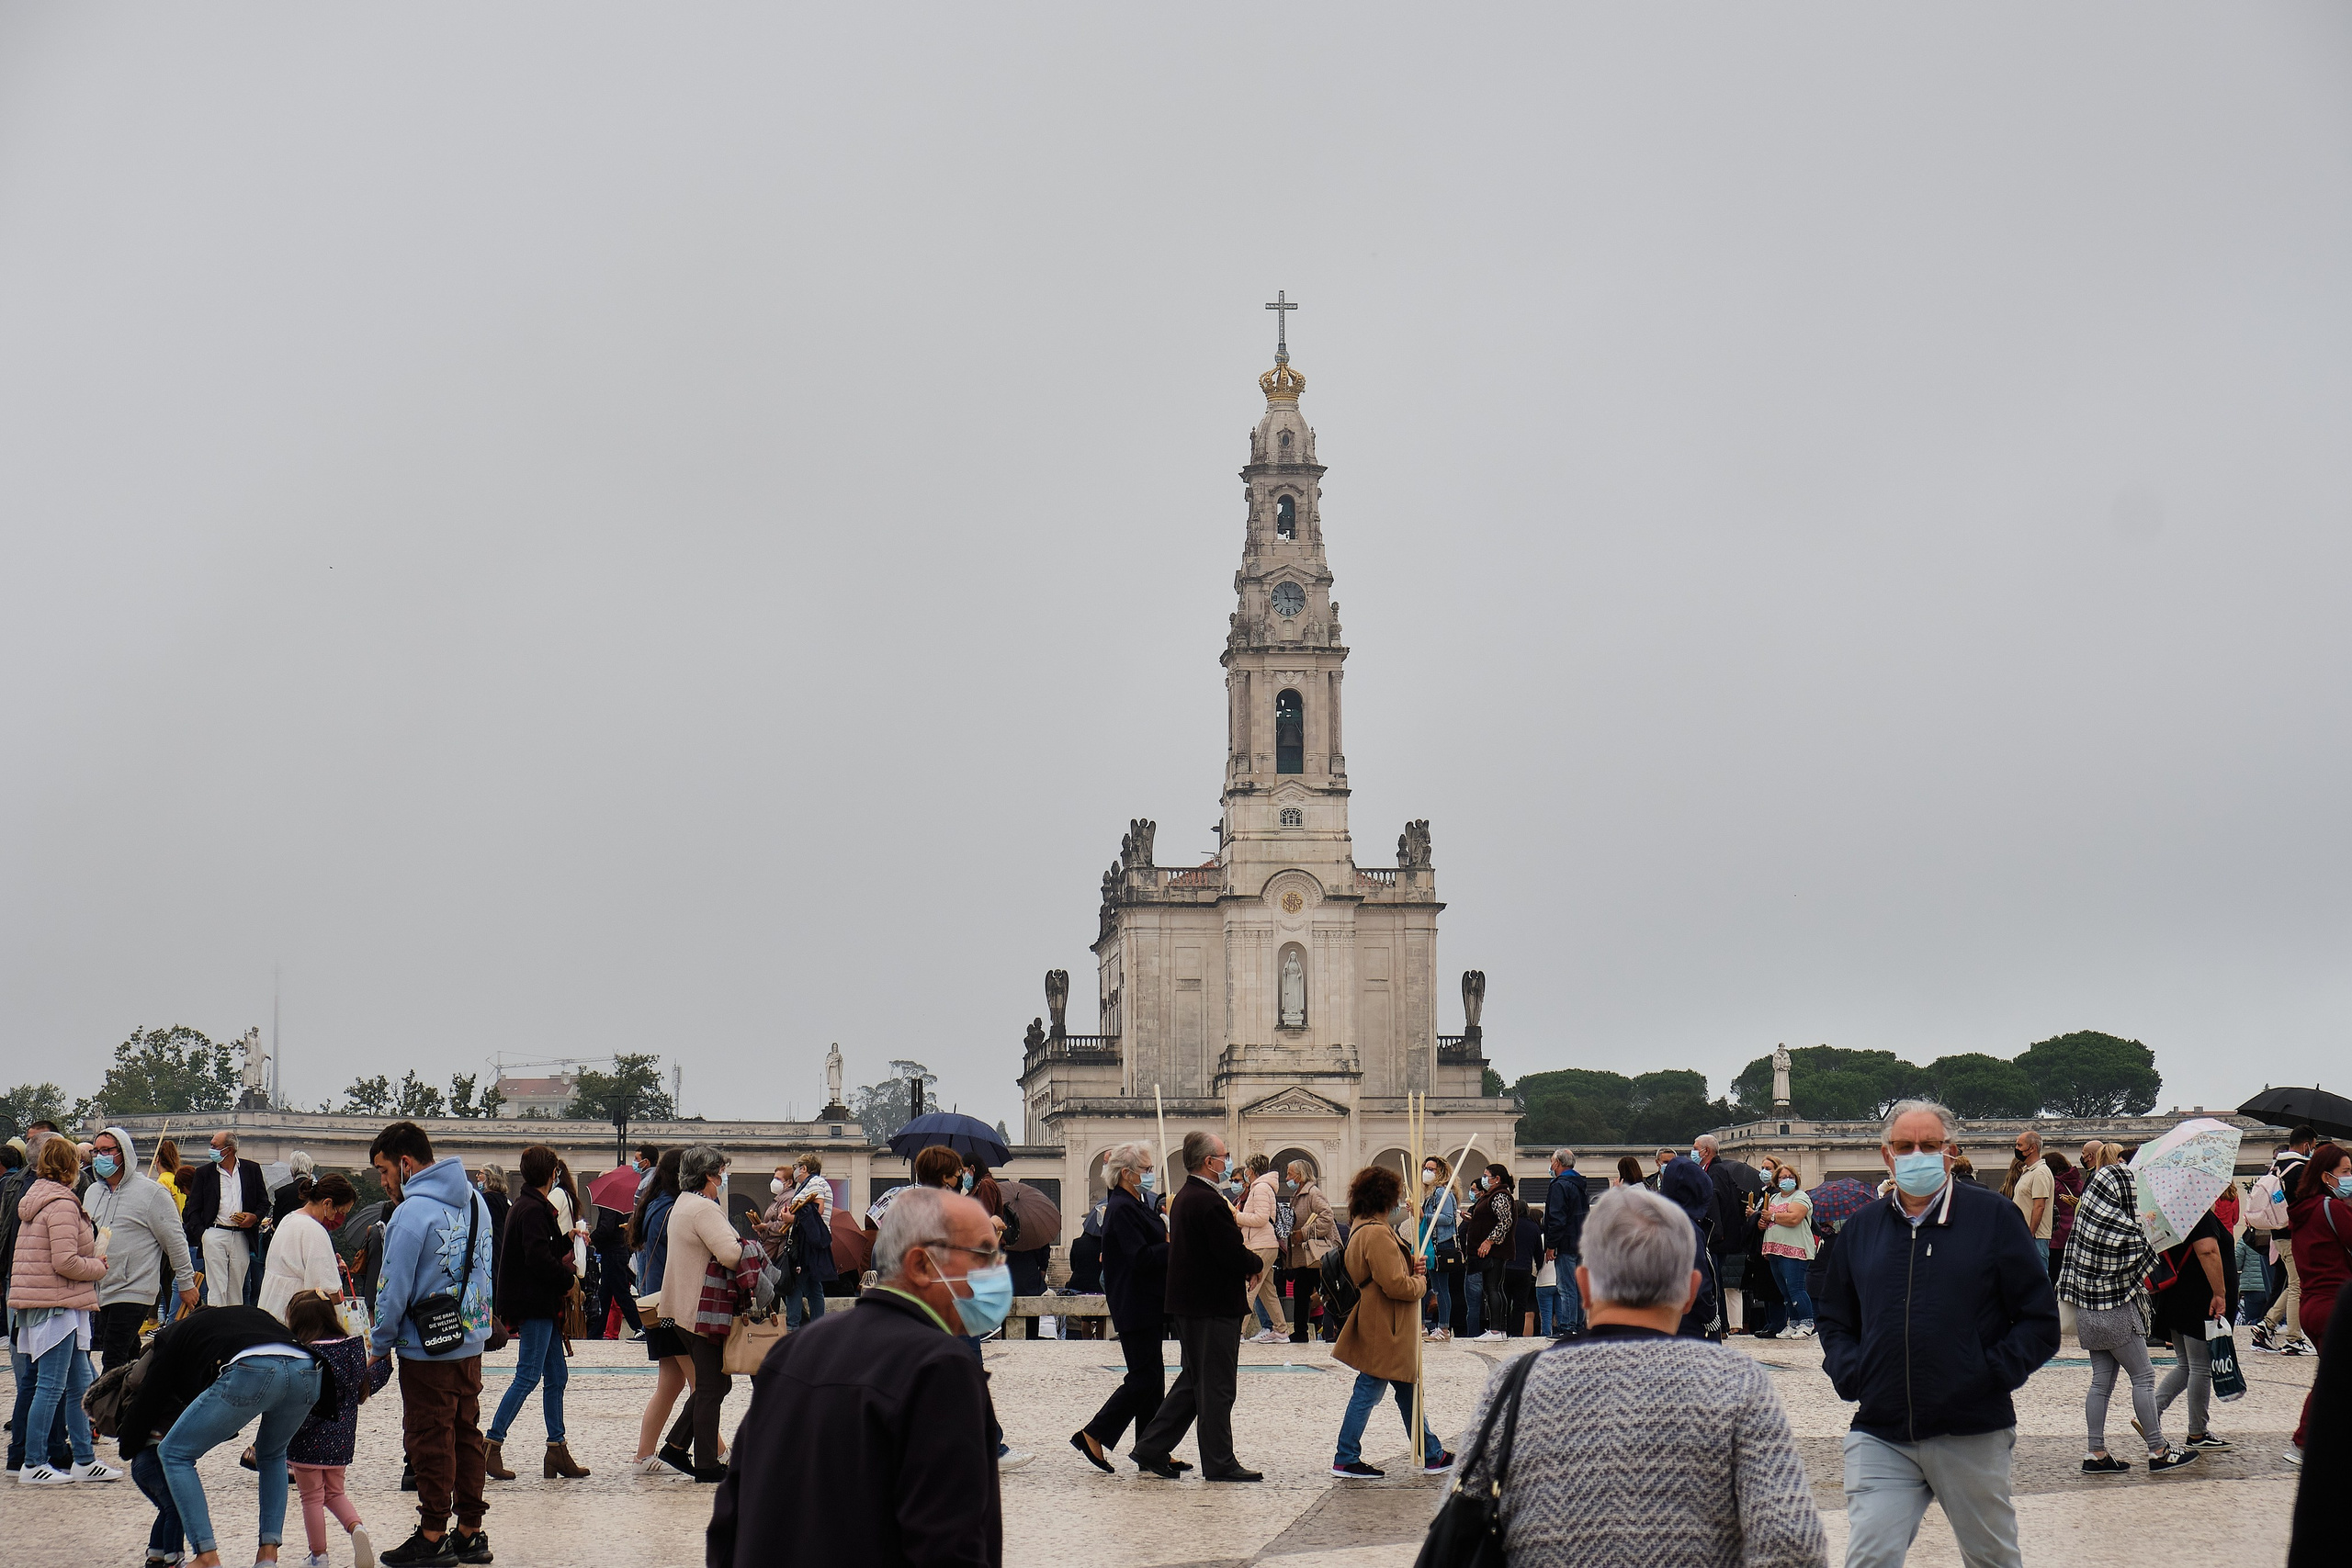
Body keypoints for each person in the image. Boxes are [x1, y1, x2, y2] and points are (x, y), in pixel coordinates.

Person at [1450, 1186, 1829, 1568]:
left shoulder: (1514, 1385)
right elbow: (1791, 1543)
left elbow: (1459, 1531)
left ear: (1582, 1286)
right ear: (1690, 1290)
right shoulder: (1737, 1385)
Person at [1816, 1100, 2059, 1568]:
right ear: (1887, 1155)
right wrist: (1853, 1372)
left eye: (1929, 1145)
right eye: (1905, 1146)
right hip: (1882, 1429)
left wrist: (1987, 1374)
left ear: (1950, 1152)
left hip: (1970, 1429)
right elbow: (1834, 1317)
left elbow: (2039, 1320)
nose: (1917, 1155)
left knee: (1991, 1558)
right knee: (1869, 1558)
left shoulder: (1994, 1218)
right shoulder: (1862, 1228)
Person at [707, 1186, 1004, 1568]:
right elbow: (948, 1547)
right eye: (983, 1254)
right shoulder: (941, 1370)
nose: (996, 1270)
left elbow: (729, 1521)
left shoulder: (794, 1350)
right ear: (921, 1265)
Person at [117, 1295, 335, 1568]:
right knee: (273, 1456)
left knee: (174, 1454)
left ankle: (206, 1555)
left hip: (252, 1368)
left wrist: (128, 1444)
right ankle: (268, 1555)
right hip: (308, 1367)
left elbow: (150, 1392)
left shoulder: (173, 1333)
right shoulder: (246, 1316)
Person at [367, 1120, 495, 1567]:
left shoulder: (410, 1214)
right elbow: (485, 1273)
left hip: (427, 1347)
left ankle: (433, 1532)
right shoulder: (478, 1202)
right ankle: (470, 1532)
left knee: (428, 1436)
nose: (384, 1183)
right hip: (470, 1339)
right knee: (465, 1432)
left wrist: (378, 1343)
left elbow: (392, 1288)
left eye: (384, 1172)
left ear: (405, 1163)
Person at [1130, 1130, 1266, 1482]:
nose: (1228, 1161)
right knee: (1218, 1386)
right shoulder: (1206, 1201)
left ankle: (1151, 1446)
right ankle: (1219, 1461)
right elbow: (1227, 1251)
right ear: (1210, 1162)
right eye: (1225, 1155)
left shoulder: (1188, 1197)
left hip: (1192, 1304)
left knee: (1193, 1383)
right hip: (1211, 1306)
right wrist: (1254, 1264)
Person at [2056, 1151, 2190, 1472]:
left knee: (2100, 1383)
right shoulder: (2126, 1229)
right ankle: (2158, 1449)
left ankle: (2096, 1452)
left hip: (2087, 1312)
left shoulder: (2085, 1224)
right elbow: (2145, 1256)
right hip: (2117, 1311)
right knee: (2143, 1377)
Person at [6, 1135, 121, 1484]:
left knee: (79, 1384)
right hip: (57, 1303)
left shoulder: (41, 1199)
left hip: (56, 1302)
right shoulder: (61, 1204)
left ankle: (84, 1458)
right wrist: (98, 1266)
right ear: (71, 1166)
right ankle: (34, 1462)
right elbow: (65, 1261)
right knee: (52, 1386)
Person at [1328, 1164, 1452, 1477]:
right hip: (1387, 1324)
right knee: (1370, 1389)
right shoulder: (1377, 1233)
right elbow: (1395, 1284)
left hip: (1381, 1320)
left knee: (1406, 1389)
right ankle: (1346, 1456)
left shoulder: (1360, 1228)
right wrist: (1420, 1283)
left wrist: (1409, 1263)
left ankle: (1430, 1452)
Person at [485, 1144, 589, 1484]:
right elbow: (537, 1259)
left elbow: (541, 1248)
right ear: (552, 1174)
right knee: (528, 1375)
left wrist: (566, 1239)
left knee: (556, 1376)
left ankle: (557, 1448)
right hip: (534, 1302)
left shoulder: (529, 1205)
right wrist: (569, 1280)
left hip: (537, 1302)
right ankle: (491, 1443)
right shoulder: (532, 1209)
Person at [660, 1145, 760, 1480]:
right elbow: (731, 1254)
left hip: (683, 1307)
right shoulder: (704, 1209)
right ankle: (705, 1463)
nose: (722, 1179)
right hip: (701, 1311)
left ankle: (675, 1447)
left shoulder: (683, 1204)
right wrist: (753, 1247)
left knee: (714, 1384)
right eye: (720, 1174)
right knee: (711, 1387)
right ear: (707, 1176)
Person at [1073, 1141, 1171, 1472]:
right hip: (1134, 1301)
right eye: (1145, 1169)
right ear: (1127, 1174)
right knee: (1143, 1378)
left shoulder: (1138, 1201)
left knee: (1153, 1378)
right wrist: (1172, 1245)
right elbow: (1140, 1257)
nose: (1150, 1174)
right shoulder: (1121, 1208)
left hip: (1148, 1301)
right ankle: (1094, 1432)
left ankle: (1150, 1447)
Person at [83, 1124, 198, 1370]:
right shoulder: (93, 1192)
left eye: (107, 1150)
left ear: (122, 1152)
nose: (100, 1156)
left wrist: (186, 1283)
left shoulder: (152, 1192)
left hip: (133, 1287)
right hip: (99, 1288)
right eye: (96, 1151)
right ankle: (138, 1397)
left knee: (112, 1358)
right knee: (128, 1351)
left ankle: (109, 1405)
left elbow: (175, 1240)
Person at [282, 1289, 376, 1568]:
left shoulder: (300, 1354)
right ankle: (357, 1528)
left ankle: (319, 1556)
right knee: (335, 1493)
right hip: (341, 1441)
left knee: (311, 1498)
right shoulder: (351, 1349)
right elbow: (368, 1382)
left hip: (305, 1441)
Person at [2150, 1190, 2238, 1456]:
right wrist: (2220, 1293)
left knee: (2186, 1366)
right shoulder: (2199, 1217)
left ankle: (2149, 1413)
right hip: (2198, 1301)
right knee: (2200, 1368)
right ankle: (2197, 1432)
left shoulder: (2171, 1218)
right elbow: (2208, 1251)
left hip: (2176, 1301)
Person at [627, 1147, 697, 1476]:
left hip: (655, 1305)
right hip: (671, 1307)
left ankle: (643, 1454)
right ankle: (719, 1452)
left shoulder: (654, 1206)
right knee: (703, 1386)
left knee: (671, 1384)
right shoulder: (673, 1210)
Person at [2284, 1140, 2350, 1467]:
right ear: (2327, 1176)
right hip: (2335, 1305)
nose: (2350, 1177)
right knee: (2331, 1379)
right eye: (2346, 1172)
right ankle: (2303, 1443)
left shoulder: (2302, 1212)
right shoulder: (2334, 1209)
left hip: (2312, 1304)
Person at [184, 1130, 269, 1309]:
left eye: (215, 1146)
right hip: (214, 1232)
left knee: (236, 1287)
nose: (211, 1149)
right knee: (216, 1286)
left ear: (229, 1150)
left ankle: (233, 1326)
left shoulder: (251, 1169)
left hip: (241, 1235)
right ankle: (217, 1325)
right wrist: (203, 1234)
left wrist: (253, 1218)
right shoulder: (204, 1173)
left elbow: (263, 1202)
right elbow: (193, 1207)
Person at [2256, 1127, 2319, 1356]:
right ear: (2306, 1145)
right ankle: (2294, 1338)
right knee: (2297, 1286)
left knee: (2294, 1282)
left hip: (2277, 1233)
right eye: (2313, 1145)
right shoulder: (2300, 1169)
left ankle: (2266, 1325)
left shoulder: (2276, 1166)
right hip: (2294, 1234)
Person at [261, 1173, 356, 1323]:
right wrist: (342, 1322)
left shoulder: (289, 1218)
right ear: (327, 1204)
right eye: (341, 1212)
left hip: (272, 1310)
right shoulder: (314, 1230)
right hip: (296, 1318)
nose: (339, 1218)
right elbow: (328, 1290)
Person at [1655, 1147, 1720, 1339]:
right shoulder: (1686, 1229)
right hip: (1689, 1321)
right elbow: (1697, 1278)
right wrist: (1709, 1316)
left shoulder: (1659, 1221)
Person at [775, 1154, 838, 1331]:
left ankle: (793, 1327)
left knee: (794, 1284)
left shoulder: (815, 1183)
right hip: (808, 1241)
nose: (795, 1170)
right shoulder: (809, 1184)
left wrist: (792, 1218)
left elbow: (817, 1208)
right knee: (813, 1285)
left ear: (804, 1168)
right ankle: (818, 1327)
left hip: (806, 1243)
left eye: (797, 1166)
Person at [1759, 1165, 1817, 1338]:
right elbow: (1764, 1218)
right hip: (1775, 1249)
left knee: (1796, 1287)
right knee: (1784, 1290)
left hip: (1795, 1249)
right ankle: (1793, 1322)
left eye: (1791, 1177)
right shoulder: (1774, 1198)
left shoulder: (1801, 1197)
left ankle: (1808, 1322)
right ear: (1777, 1181)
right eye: (1783, 1177)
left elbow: (1794, 1218)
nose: (1787, 1180)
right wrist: (1762, 1222)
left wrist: (1773, 1217)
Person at [1237, 1153, 1289, 1344]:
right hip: (1266, 1244)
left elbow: (1260, 1218)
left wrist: (1236, 1216)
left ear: (1250, 1169)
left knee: (1249, 1287)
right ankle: (1281, 1330)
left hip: (1260, 1244)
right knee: (1267, 1291)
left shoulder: (1259, 1189)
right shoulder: (1264, 1188)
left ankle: (1238, 1332)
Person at [1283, 1159, 1335, 1343]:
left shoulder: (1313, 1193)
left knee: (1326, 1291)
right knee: (1301, 1292)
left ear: (1300, 1175)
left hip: (1316, 1254)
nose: (1287, 1178)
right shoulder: (1299, 1195)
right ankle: (1300, 1331)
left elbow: (1327, 1217)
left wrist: (1304, 1233)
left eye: (1290, 1174)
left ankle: (1336, 1327)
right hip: (1305, 1256)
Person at [1540, 1147, 1589, 1338]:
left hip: (1565, 1243)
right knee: (1578, 1286)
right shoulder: (1579, 1184)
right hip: (1580, 1241)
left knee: (1566, 1287)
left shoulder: (1559, 1185)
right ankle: (1578, 1324)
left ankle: (1567, 1326)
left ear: (1558, 1163)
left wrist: (1551, 1244)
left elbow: (1556, 1217)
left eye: (1552, 1161)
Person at [1467, 1164, 1517, 1341]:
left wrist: (1489, 1241)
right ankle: (1500, 1329)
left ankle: (1496, 1329)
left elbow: (1505, 1221)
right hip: (1495, 1250)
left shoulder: (1500, 1196)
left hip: (1495, 1251)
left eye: (1487, 1176)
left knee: (1492, 1287)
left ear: (1497, 1179)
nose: (1484, 1179)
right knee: (1495, 1288)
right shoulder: (1492, 1196)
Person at [1418, 1154, 1459, 1341]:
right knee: (1436, 1286)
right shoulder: (1432, 1194)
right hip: (1435, 1244)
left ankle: (1443, 1327)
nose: (1427, 1172)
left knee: (1441, 1288)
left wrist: (1424, 1216)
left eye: (1431, 1169)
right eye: (1425, 1168)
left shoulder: (1442, 1192)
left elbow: (1449, 1218)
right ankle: (1435, 1326)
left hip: (1442, 1244)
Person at [2004, 1129, 2054, 1269]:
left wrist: (2029, 1234)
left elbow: (2039, 1206)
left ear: (2032, 1148)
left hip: (2035, 1237)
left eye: (2019, 1145)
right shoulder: (2029, 1171)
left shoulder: (2040, 1172)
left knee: (2038, 1278)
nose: (2016, 1149)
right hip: (2025, 1235)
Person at [2045, 1150, 2083, 1288]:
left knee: (2053, 1279)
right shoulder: (2079, 1183)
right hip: (2074, 1237)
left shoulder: (2052, 1185)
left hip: (2055, 1238)